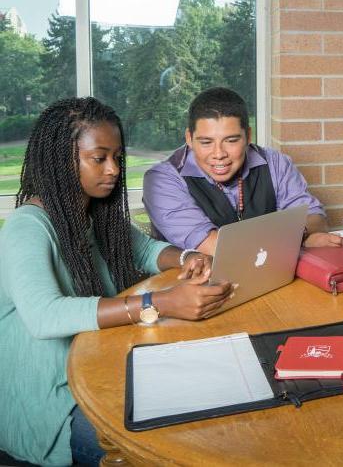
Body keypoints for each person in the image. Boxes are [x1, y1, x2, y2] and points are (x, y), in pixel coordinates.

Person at [0, 98, 233, 467]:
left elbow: (145, 249)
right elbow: (44, 315)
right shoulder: (27, 227)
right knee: (166, 452)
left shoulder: (94, 213)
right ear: (62, 159)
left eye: (118, 158)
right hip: (54, 401)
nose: (113, 169)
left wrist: (190, 258)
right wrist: (160, 303)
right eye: (99, 158)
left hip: (100, 370)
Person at [143, 87, 341, 255]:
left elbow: (314, 216)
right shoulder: (162, 180)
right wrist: (297, 238)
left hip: (271, 275)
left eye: (231, 141)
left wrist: (307, 233)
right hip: (195, 288)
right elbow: (211, 245)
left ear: (248, 135)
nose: (219, 154)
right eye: (206, 142)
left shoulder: (276, 163)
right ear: (189, 138)